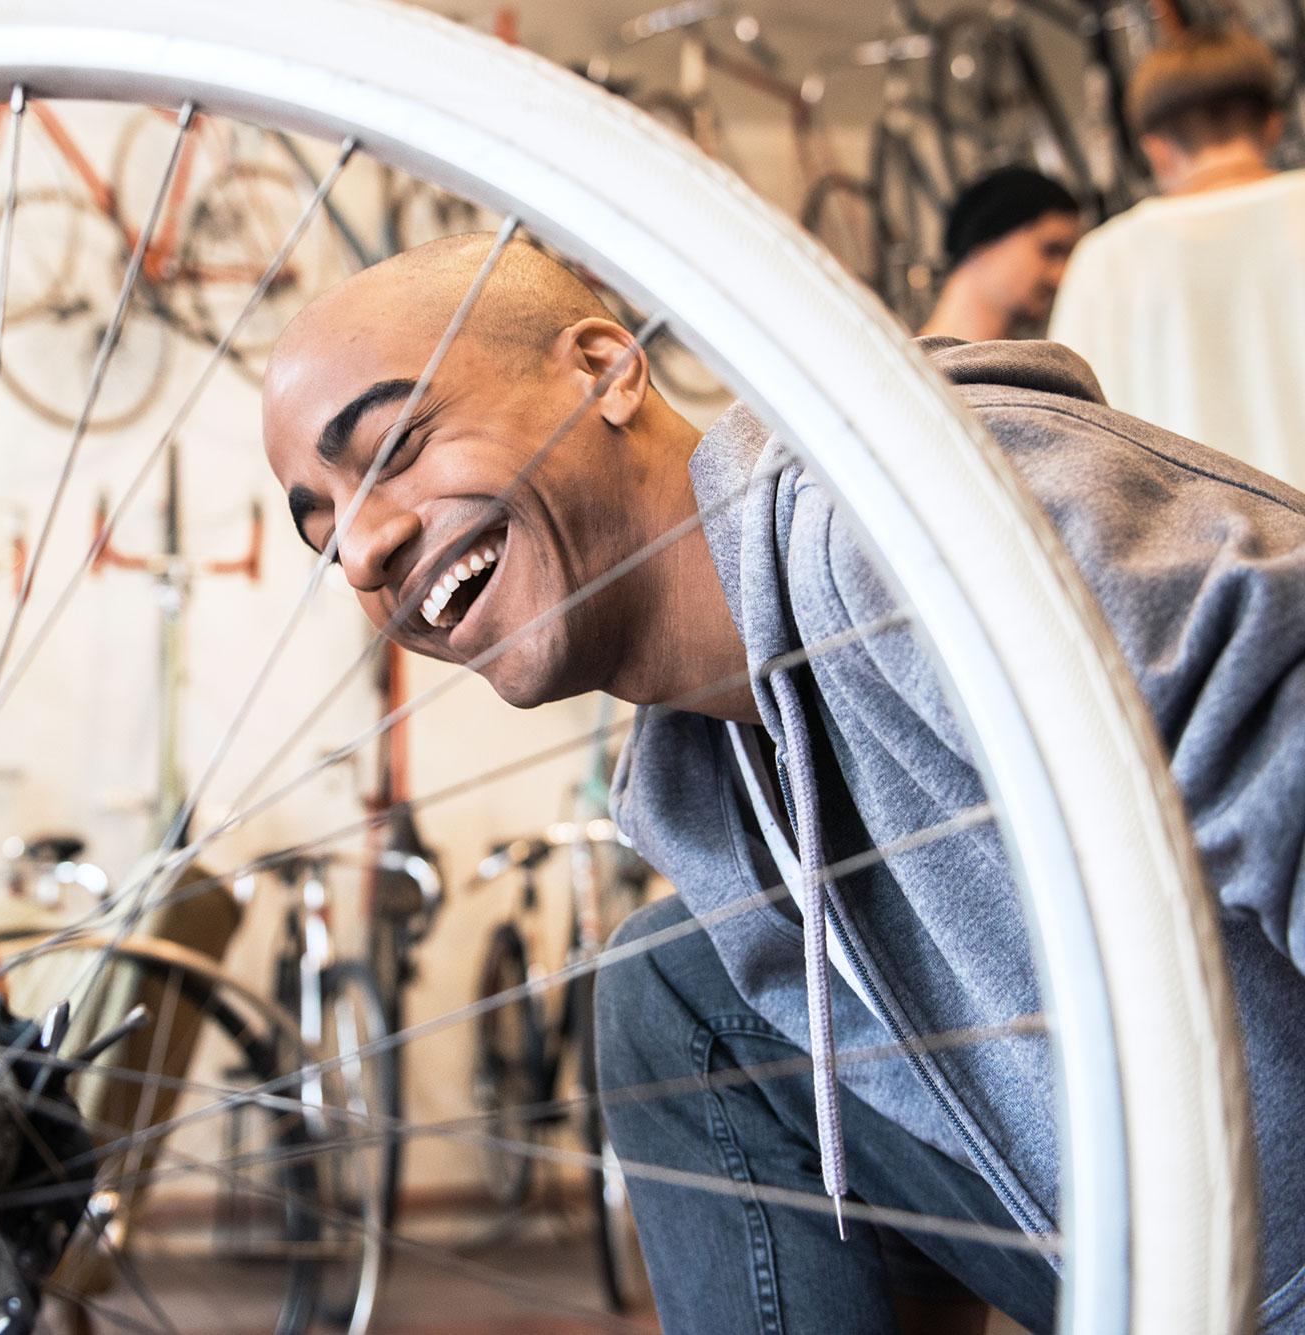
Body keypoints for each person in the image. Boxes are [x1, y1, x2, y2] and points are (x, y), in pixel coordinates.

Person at [262, 235, 1305, 1334]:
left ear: (607, 371)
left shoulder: (899, 522)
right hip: (1162, 1279)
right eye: (324, 531)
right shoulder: (688, 789)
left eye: (397, 446)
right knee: (672, 992)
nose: (366, 548)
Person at [1048, 25, 1305, 487]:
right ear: (1272, 126)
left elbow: (1075, 440)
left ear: (1157, 151)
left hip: (1198, 552)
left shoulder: (1106, 259)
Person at [915, 166, 1080, 342]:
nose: (1061, 277)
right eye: (1051, 251)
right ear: (984, 239)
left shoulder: (1038, 367)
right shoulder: (899, 366)